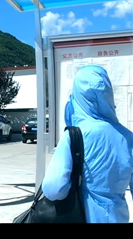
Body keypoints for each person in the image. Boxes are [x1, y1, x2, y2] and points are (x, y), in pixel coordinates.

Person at [42, 64, 133, 223]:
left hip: (83, 216)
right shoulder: (128, 137)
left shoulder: (74, 135)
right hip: (118, 217)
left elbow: (54, 189)